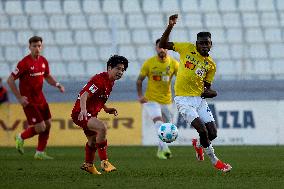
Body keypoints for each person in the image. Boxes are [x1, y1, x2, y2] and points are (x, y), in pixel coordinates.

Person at [159, 14, 232, 172]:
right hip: (183, 100)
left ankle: (198, 144)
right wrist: (170, 25)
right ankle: (215, 161)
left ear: (211, 44)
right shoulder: (186, 48)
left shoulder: (211, 65)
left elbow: (206, 88)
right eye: (201, 43)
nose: (204, 46)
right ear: (196, 44)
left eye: (207, 43)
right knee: (203, 130)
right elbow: (163, 43)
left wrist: (211, 93)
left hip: (199, 100)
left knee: (212, 133)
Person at [7, 36, 65, 160]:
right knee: (41, 127)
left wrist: (57, 84)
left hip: (41, 98)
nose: (37, 48)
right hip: (29, 101)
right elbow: (10, 80)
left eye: (39, 46)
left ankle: (40, 152)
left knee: (48, 124)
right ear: (29, 47)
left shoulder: (43, 61)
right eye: (34, 46)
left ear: (41, 46)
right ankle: (20, 137)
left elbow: (47, 76)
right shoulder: (24, 63)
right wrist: (19, 98)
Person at [71, 55, 128, 175]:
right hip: (81, 113)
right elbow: (84, 95)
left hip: (88, 113)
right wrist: (83, 110)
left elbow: (99, 98)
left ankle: (89, 165)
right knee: (102, 128)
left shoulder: (110, 82)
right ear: (109, 68)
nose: (120, 72)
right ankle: (104, 162)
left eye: (122, 70)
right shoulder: (99, 80)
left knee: (92, 141)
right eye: (118, 68)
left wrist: (106, 109)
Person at [136, 39, 179, 160]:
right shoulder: (149, 63)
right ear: (156, 48)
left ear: (168, 49)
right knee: (159, 123)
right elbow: (139, 80)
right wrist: (140, 95)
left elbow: (181, 80)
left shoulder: (174, 64)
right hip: (151, 100)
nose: (162, 49)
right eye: (159, 47)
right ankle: (165, 150)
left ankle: (160, 150)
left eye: (164, 47)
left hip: (167, 100)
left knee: (168, 126)